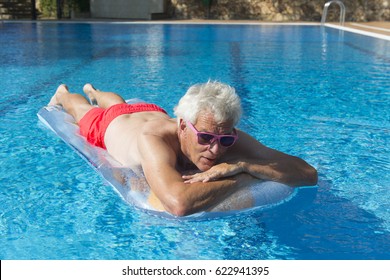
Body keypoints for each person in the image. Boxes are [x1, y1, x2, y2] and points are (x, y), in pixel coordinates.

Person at [48, 81, 318, 216]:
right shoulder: (153, 140)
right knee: (81, 108)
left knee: (117, 101)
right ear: (183, 127)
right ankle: (70, 94)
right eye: (205, 138)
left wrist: (245, 164)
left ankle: (97, 92)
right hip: (111, 126)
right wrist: (244, 179)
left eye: (224, 141)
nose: (215, 149)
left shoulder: (226, 133)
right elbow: (178, 203)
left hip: (150, 110)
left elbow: (308, 173)